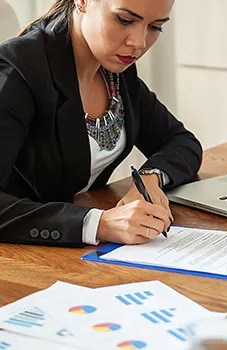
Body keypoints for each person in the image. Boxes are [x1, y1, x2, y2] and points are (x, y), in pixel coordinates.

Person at [0, 0, 202, 247]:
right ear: (82, 2)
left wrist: (150, 179)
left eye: (155, 27)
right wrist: (98, 224)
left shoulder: (115, 69)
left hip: (78, 255)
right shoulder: (17, 70)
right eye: (125, 20)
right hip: (20, 258)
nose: (138, 43)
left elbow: (181, 141)